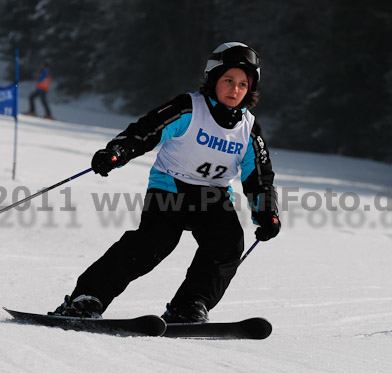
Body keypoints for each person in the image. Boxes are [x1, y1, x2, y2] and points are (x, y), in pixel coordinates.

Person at [51, 42, 281, 323]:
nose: (235, 89)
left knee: (227, 244)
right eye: (228, 80)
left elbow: (259, 177)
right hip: (171, 186)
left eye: (243, 84)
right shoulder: (188, 107)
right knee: (152, 245)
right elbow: (147, 130)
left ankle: (189, 305)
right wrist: (117, 152)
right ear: (213, 79)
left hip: (213, 196)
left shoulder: (248, 129)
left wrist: (266, 212)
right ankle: (86, 298)